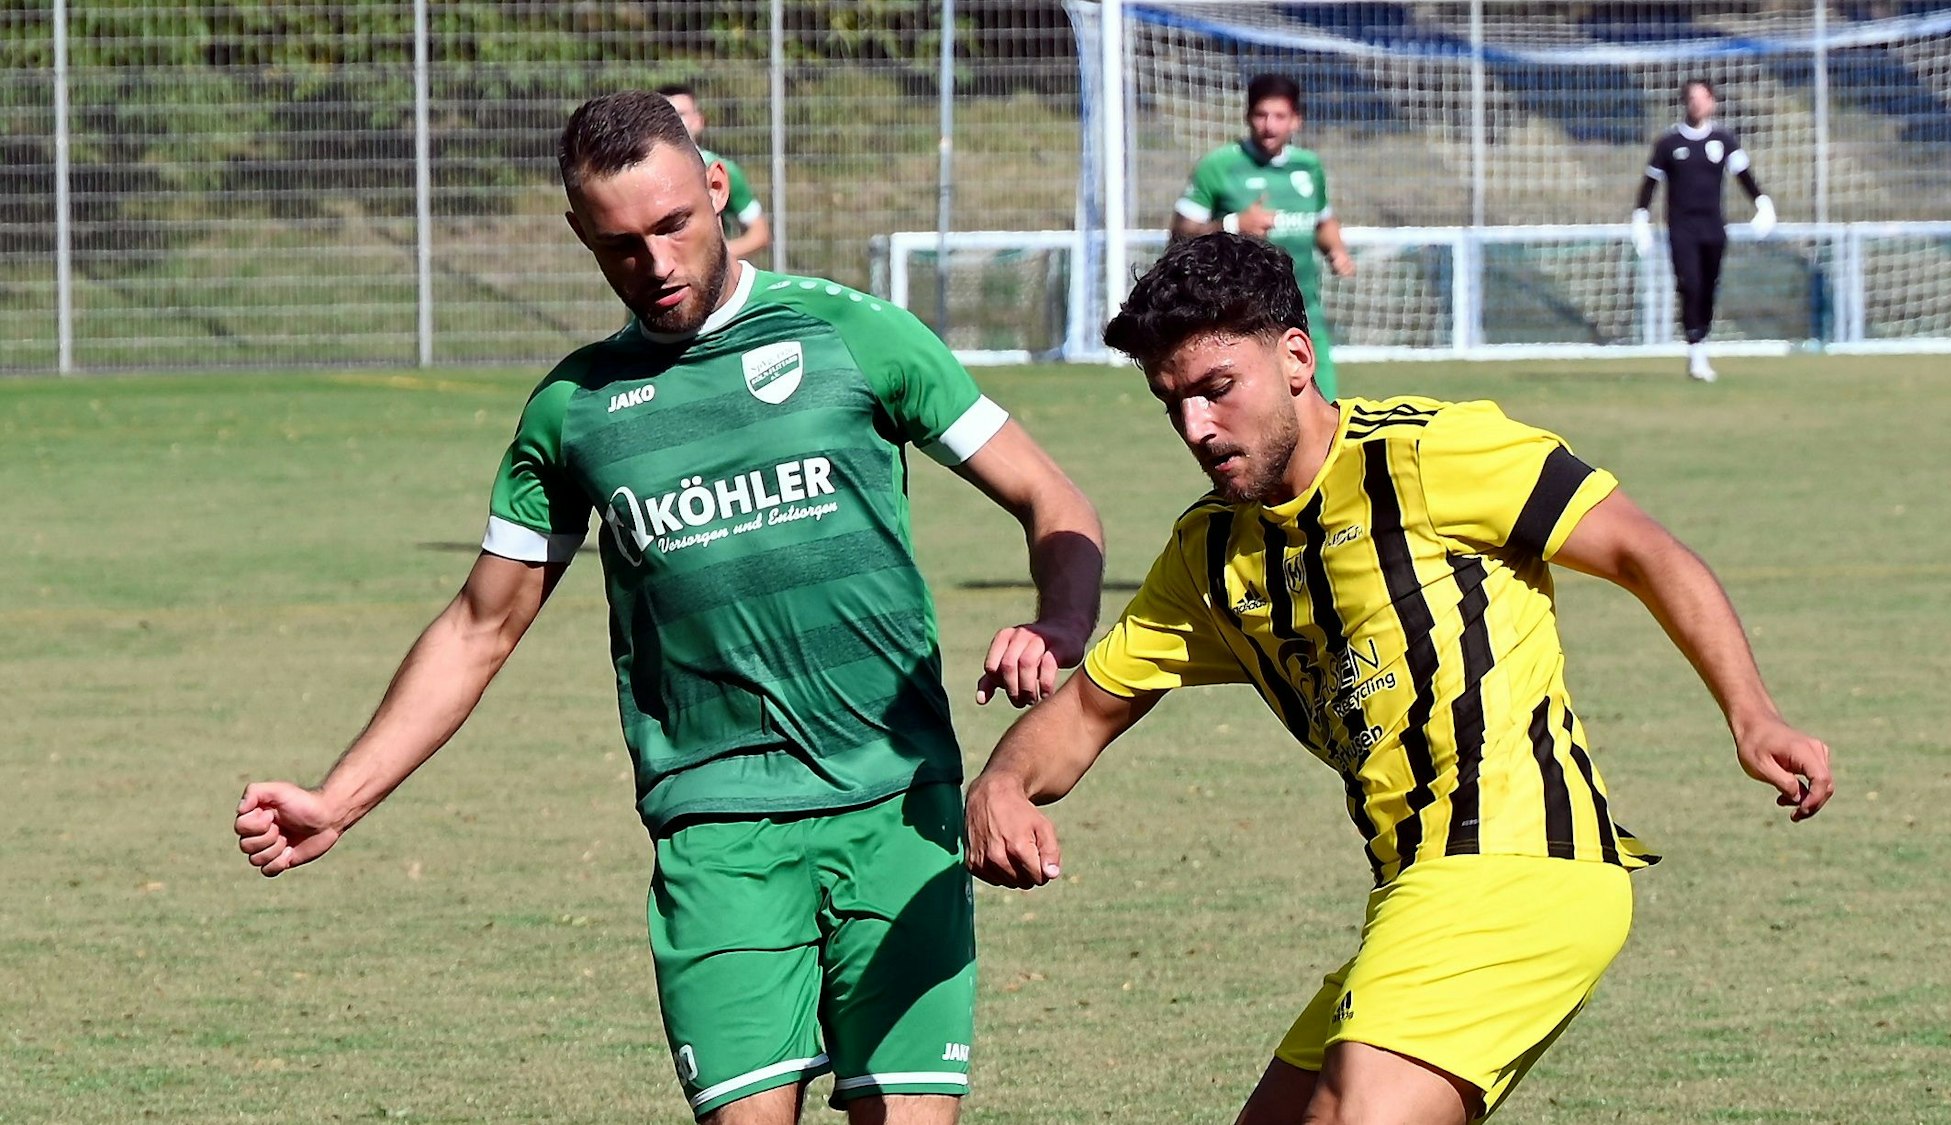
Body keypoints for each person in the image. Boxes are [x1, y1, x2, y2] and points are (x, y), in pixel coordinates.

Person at [234, 90, 1105, 1125]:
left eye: (671, 225)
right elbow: (480, 626)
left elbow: (1051, 498)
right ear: (580, 237)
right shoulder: (574, 412)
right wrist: (340, 799)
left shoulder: (853, 335)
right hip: (716, 832)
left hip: (895, 809)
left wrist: (1057, 624)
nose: (653, 264)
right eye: (618, 246)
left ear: (717, 190)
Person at [964, 233, 1833, 1125]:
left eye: (1218, 389)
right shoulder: (1213, 555)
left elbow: (1647, 551)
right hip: (1414, 892)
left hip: (1521, 865)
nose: (1197, 427)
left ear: (1296, 357)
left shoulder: (1434, 454)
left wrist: (1752, 714)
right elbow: (1083, 715)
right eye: (1172, 403)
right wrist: (1002, 780)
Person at [1171, 73, 1353, 401]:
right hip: (1242, 314)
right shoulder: (1220, 165)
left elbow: (1323, 220)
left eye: (1280, 116)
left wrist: (1336, 250)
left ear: (1296, 120)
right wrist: (1232, 224)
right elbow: (1180, 233)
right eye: (1261, 115)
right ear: (1247, 116)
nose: (1269, 126)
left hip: (1303, 308)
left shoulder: (1308, 167)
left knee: (1323, 405)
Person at [1632, 79, 1776, 383]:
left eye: (1702, 98)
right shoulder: (1668, 144)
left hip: (1713, 228)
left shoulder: (1723, 140)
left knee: (1708, 289)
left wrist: (1763, 204)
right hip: (1682, 230)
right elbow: (1650, 183)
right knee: (1690, 286)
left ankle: (1702, 342)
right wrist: (1640, 217)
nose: (1696, 104)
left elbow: (1744, 175)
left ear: (1712, 102)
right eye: (1691, 98)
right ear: (1685, 103)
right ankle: (1696, 352)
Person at [660, 82, 773, 261]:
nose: (673, 122)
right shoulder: (640, 175)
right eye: (664, 116)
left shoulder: (721, 170)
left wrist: (712, 258)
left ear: (698, 121)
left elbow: (759, 233)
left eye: (680, 114)